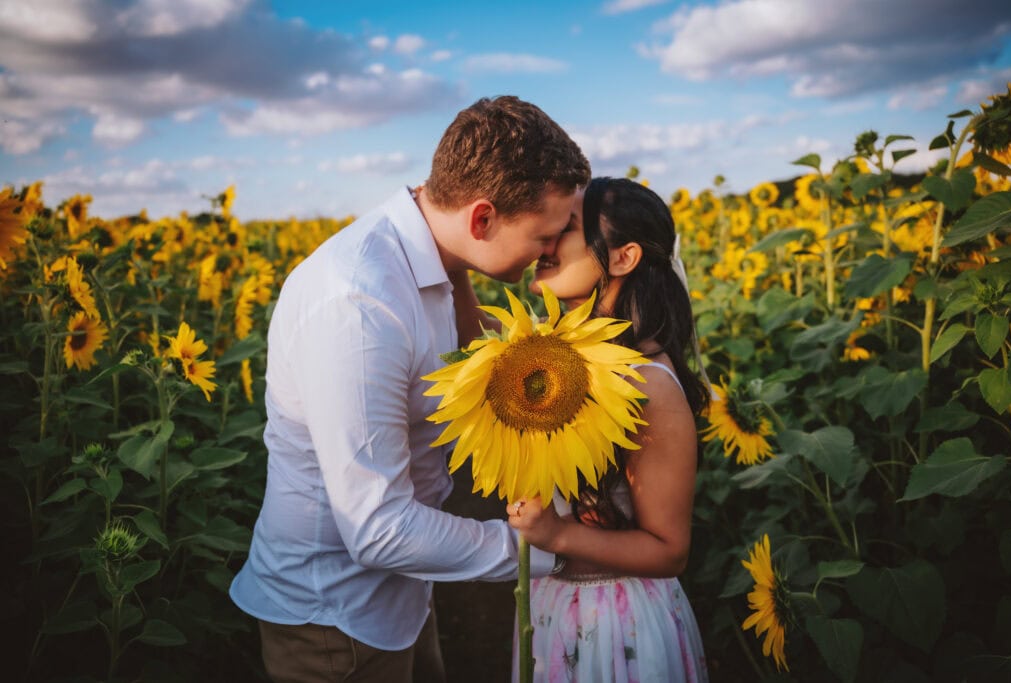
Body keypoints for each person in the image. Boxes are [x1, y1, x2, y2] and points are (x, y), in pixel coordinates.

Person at [229, 95, 590, 683]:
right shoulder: (360, 303)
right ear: (482, 219)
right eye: (544, 234)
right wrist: (548, 551)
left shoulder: (437, 264)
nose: (550, 249)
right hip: (334, 621)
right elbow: (378, 528)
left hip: (403, 593)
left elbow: (474, 374)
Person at [506, 177, 711, 682]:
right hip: (554, 611)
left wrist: (556, 533)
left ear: (623, 257)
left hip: (618, 626)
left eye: (566, 227)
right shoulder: (559, 358)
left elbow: (670, 549)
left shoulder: (648, 385)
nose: (546, 240)